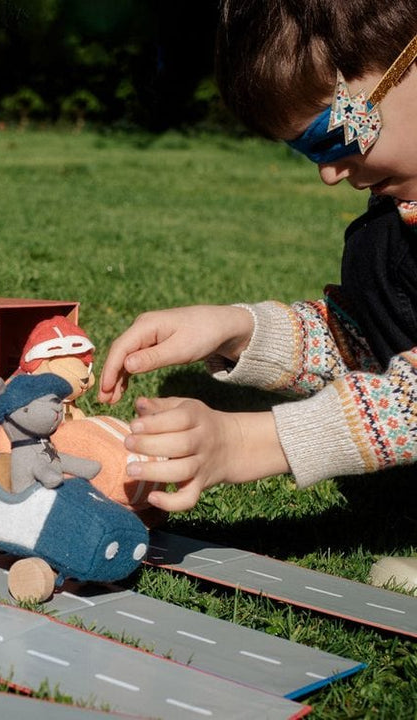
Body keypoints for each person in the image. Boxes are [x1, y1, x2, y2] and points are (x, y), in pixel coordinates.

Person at [98, 0, 417, 590]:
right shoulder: (389, 234)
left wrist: (245, 442)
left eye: (333, 134)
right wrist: (239, 330)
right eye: (306, 150)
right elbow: (373, 349)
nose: (328, 171)